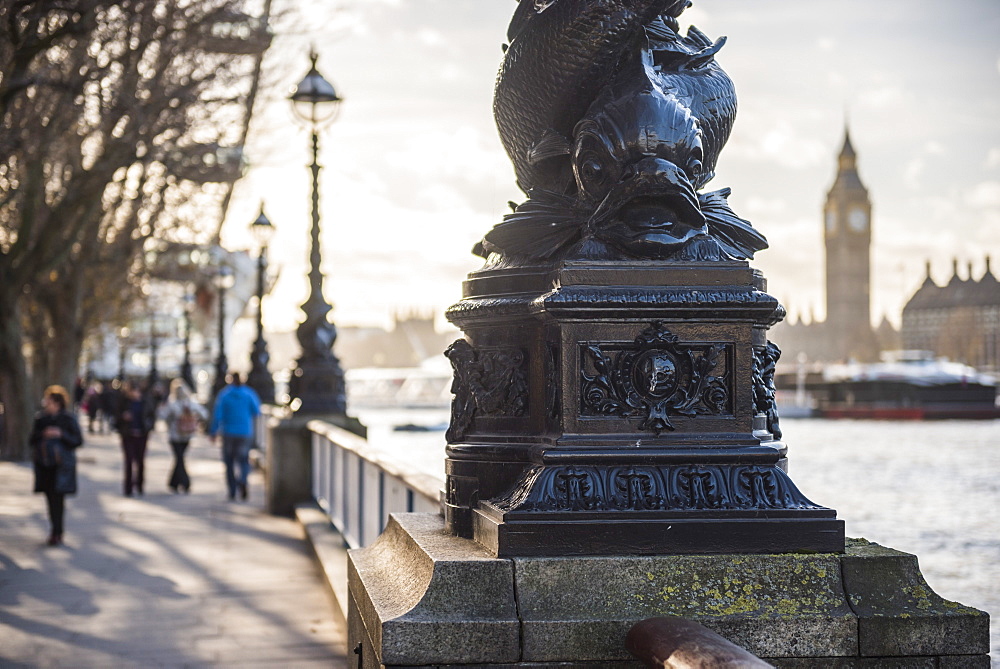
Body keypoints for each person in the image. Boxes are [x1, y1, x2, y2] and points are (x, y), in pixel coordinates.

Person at [29, 385, 84, 546]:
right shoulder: (41, 419)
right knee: (49, 499)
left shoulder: (68, 419)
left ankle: (57, 531)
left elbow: (77, 441)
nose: (47, 404)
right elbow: (31, 440)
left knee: (58, 499)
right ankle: (55, 529)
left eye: (50, 401)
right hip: (44, 465)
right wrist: (43, 434)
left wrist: (61, 434)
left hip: (62, 466)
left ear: (58, 403)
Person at [209, 373, 261, 501]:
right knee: (243, 460)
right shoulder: (249, 393)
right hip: (244, 432)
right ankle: (243, 480)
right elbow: (256, 411)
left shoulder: (224, 395)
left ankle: (232, 490)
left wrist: (214, 431)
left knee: (229, 462)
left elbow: (218, 415)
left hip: (228, 432)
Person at [158, 379, 207, 494]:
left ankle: (183, 483)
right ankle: (177, 483)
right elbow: (204, 414)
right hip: (187, 435)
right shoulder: (191, 402)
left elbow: (162, 415)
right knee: (180, 459)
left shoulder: (173, 403)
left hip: (176, 436)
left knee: (179, 459)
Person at [114, 381, 156, 497]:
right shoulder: (124, 402)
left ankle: (140, 485)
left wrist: (148, 427)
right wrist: (123, 417)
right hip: (128, 435)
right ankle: (128, 487)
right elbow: (116, 418)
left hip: (142, 435)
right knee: (129, 461)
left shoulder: (145, 402)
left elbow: (151, 416)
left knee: (140, 461)